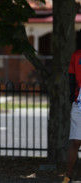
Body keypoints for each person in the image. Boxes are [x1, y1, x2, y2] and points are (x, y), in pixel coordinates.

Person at [62, 48, 81, 183]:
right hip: (78, 103)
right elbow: (71, 77)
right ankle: (67, 177)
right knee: (76, 141)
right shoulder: (76, 55)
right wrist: (72, 97)